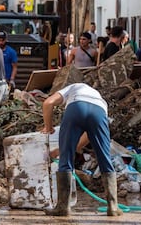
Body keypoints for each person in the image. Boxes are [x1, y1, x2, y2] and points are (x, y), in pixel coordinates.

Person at [41, 82, 123, 217]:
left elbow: (48, 103)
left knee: (66, 159)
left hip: (76, 108)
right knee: (104, 158)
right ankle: (113, 207)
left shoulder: (73, 87)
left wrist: (48, 127)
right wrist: (64, 149)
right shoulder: (99, 99)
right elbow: (86, 138)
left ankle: (63, 208)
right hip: (99, 112)